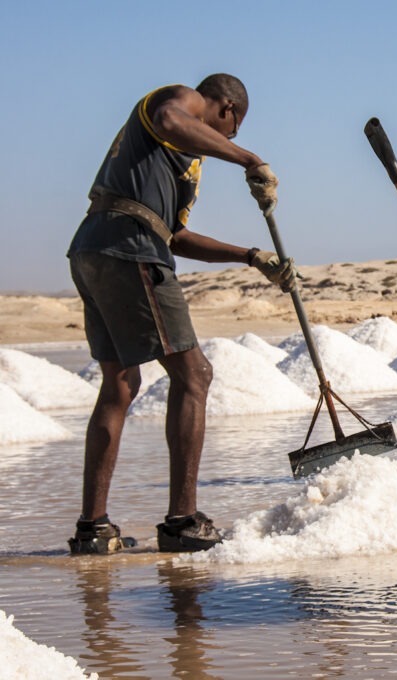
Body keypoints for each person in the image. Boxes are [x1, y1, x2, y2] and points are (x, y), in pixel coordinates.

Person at [66, 74, 296, 554]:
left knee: (121, 383)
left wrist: (252, 257)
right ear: (227, 108)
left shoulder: (178, 163)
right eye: (230, 130)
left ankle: (93, 530)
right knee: (195, 376)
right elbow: (172, 119)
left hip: (93, 248)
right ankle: (182, 522)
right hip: (129, 248)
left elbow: (175, 237)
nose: (224, 140)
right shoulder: (182, 101)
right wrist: (249, 158)